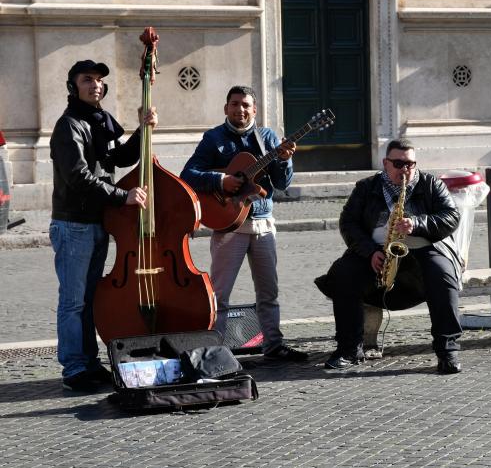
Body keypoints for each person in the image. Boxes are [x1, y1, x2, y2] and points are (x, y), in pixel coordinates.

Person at [50, 59, 158, 392]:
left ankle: (90, 363)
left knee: (88, 298)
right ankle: (74, 368)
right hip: (74, 224)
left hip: (97, 222)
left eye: (98, 80)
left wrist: (143, 129)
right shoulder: (69, 126)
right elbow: (79, 177)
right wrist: (122, 196)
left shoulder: (99, 123)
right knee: (73, 301)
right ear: (73, 87)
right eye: (87, 79)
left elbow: (120, 159)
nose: (95, 85)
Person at [180, 85, 308, 362]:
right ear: (226, 108)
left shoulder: (268, 138)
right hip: (229, 225)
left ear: (255, 109)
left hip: (262, 223)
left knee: (268, 292)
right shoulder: (213, 138)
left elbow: (282, 184)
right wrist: (220, 180)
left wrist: (285, 160)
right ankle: (215, 352)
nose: (240, 109)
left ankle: (273, 345)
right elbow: (188, 173)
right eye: (235, 104)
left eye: (246, 105)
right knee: (220, 294)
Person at [316, 139, 464, 373]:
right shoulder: (366, 187)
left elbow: (451, 217)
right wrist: (370, 252)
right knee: (343, 274)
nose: (405, 170)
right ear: (385, 163)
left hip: (423, 248)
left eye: (411, 164)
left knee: (443, 276)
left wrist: (417, 223)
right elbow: (349, 222)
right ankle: (349, 349)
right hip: (377, 250)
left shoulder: (431, 184)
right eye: (398, 164)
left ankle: (447, 350)